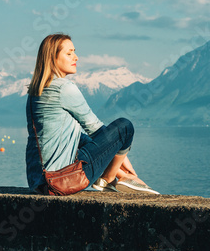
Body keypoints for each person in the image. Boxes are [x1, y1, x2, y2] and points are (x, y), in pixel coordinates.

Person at [25, 33, 158, 194]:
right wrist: (124, 162)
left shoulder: (35, 92)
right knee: (124, 127)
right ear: (52, 58)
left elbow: (79, 138)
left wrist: (121, 170)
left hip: (37, 181)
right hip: (61, 180)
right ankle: (108, 179)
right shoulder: (64, 88)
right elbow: (97, 129)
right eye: (69, 53)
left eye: (74, 52)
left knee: (84, 140)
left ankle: (121, 177)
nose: (76, 57)